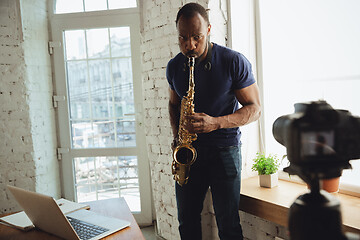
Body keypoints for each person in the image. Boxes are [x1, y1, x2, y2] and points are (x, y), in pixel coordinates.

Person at [167, 2, 261, 240]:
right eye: (183, 38)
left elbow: (255, 109)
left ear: (209, 30)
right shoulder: (175, 66)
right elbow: (173, 103)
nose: (190, 45)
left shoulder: (233, 61)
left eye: (197, 37)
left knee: (228, 225)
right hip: (189, 152)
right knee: (186, 222)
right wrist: (177, 137)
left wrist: (215, 122)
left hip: (224, 151)